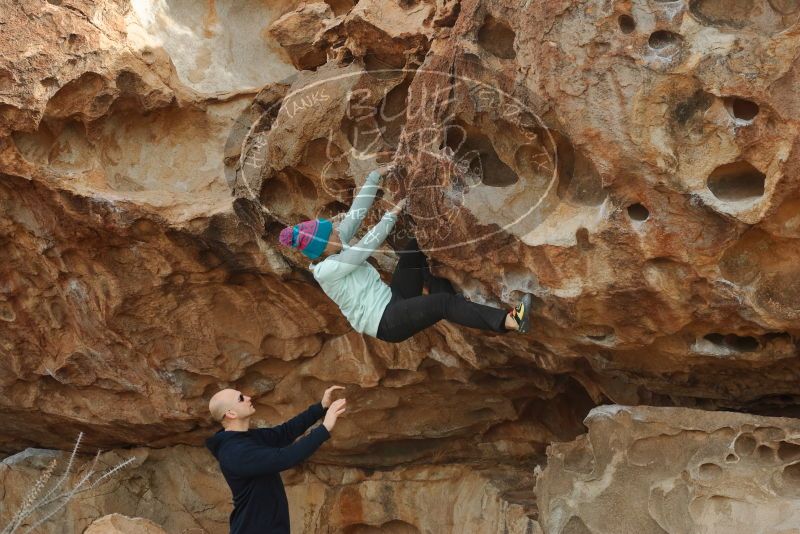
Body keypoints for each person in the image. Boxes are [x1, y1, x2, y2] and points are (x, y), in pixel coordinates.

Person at [277, 166, 533, 343]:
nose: (336, 230)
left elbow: (356, 214)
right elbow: (363, 249)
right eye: (330, 232)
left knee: (415, 248)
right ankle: (509, 322)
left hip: (393, 298)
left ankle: (442, 295)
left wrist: (374, 177)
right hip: (386, 322)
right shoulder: (326, 271)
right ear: (323, 247)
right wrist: (392, 215)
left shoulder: (334, 244)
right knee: (443, 306)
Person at [206, 385, 346, 534]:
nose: (248, 398)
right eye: (240, 398)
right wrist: (325, 428)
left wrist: (321, 406)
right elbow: (286, 458)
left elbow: (285, 432)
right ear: (231, 413)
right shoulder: (235, 452)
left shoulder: (247, 438)